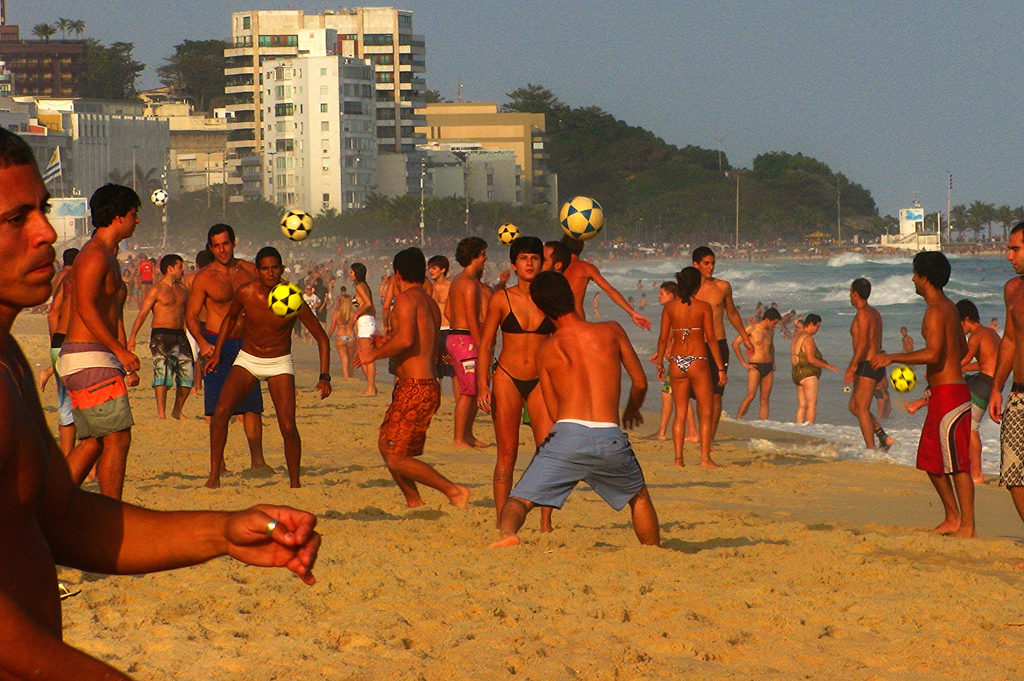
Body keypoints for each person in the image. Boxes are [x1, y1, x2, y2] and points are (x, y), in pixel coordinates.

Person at [0, 127, 321, 678]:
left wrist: (222, 532)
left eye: (43, 210)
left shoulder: (7, 358)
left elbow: (64, 520)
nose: (47, 233)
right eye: (15, 219)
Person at [490, 271, 659, 547]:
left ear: (542, 309)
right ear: (571, 295)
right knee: (638, 497)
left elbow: (554, 410)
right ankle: (653, 551)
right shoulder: (611, 330)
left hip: (568, 434)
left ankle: (509, 535)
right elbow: (640, 382)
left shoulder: (545, 351)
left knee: (519, 499)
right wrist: (632, 408)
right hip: (610, 435)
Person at [206, 247, 332, 489]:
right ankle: (214, 476)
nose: (270, 273)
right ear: (257, 270)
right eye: (265, 268)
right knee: (221, 412)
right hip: (249, 359)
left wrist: (324, 376)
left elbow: (321, 337)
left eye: (275, 268)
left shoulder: (292, 297)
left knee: (287, 425)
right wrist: (217, 353)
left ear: (282, 269)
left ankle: (295, 483)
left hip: (279, 361)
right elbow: (230, 319)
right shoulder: (246, 292)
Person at [356, 248, 471, 509]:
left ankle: (453, 491)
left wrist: (372, 355)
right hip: (419, 386)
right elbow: (411, 339)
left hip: (416, 387)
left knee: (395, 455)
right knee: (389, 447)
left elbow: (406, 339)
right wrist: (386, 341)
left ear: (397, 274)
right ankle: (414, 501)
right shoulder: (427, 300)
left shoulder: (407, 299)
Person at [872, 252, 974, 538]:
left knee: (956, 464)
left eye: (915, 274)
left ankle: (967, 525)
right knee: (930, 460)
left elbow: (933, 352)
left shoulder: (935, 311)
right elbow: (962, 350)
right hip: (945, 392)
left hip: (951, 395)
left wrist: (891, 357)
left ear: (925, 278)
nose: (912, 279)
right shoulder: (949, 308)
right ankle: (953, 517)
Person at [59, 184, 141, 500]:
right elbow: (85, 307)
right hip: (87, 356)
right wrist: (120, 350)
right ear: (118, 217)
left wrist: (119, 354)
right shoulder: (94, 256)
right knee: (117, 437)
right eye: (133, 215)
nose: (136, 221)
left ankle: (55, 501)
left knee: (94, 440)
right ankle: (111, 511)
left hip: (94, 356)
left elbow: (110, 313)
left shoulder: (107, 254)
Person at [478, 237, 556, 532]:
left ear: (541, 262)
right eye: (523, 258)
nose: (529, 263)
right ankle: (502, 521)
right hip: (507, 378)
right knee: (507, 453)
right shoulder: (502, 299)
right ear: (514, 264)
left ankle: (545, 522)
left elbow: (567, 339)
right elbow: (486, 345)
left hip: (541, 381)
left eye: (535, 258)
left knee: (547, 452)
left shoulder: (550, 299)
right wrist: (482, 385)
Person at [186, 224, 268, 474]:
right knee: (217, 408)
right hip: (215, 342)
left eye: (226, 244)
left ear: (234, 242)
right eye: (217, 245)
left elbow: (272, 297)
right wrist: (202, 343)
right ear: (210, 247)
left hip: (247, 343)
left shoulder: (249, 271)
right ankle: (218, 464)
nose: (222, 250)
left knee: (253, 405)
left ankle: (258, 462)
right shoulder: (205, 278)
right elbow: (190, 316)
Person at [655, 267, 725, 467]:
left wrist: (660, 362)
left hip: (677, 361)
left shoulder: (670, 307)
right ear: (697, 285)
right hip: (697, 360)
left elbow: (662, 339)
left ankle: (678, 459)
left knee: (681, 412)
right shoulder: (703, 307)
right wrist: (720, 367)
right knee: (706, 411)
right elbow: (711, 339)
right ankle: (705, 458)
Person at [692, 246, 754, 439]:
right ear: (696, 265)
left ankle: (709, 438)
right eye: (706, 263)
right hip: (695, 344)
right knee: (700, 396)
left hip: (718, 344)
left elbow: (732, 313)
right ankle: (702, 435)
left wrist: (745, 338)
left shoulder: (722, 287)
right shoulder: (689, 289)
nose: (711, 267)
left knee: (716, 395)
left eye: (713, 263)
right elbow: (678, 316)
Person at [989, 223, 1024, 565]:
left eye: (1015, 249)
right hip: (1018, 394)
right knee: (1013, 474)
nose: (1009, 255)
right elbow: (1010, 341)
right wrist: (997, 387)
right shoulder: (1013, 289)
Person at [127, 253, 193, 420]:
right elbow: (142, 314)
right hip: (161, 334)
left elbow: (187, 314)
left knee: (187, 374)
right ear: (170, 268)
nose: (183, 269)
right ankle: (161, 413)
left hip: (180, 334)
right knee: (162, 373)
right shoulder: (157, 289)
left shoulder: (183, 289)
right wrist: (133, 336)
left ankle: (177, 410)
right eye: (180, 266)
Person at [444, 238, 488, 448]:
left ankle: (467, 434)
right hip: (464, 339)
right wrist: (483, 346)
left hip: (456, 336)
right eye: (482, 254)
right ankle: (459, 437)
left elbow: (448, 312)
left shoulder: (457, 280)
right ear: (473, 257)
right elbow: (472, 320)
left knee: (471, 388)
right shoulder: (469, 284)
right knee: (468, 390)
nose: (485, 258)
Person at [560, 235, 650, 329]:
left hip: (553, 321)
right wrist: (632, 313)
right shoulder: (586, 268)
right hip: (576, 321)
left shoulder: (554, 267)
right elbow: (610, 291)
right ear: (582, 247)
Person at [844, 278, 893, 451]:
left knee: (862, 409)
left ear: (856, 294)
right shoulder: (874, 312)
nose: (849, 296)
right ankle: (882, 436)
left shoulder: (863, 313)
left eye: (850, 292)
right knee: (854, 407)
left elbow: (864, 343)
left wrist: (852, 367)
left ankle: (871, 449)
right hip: (876, 362)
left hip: (867, 363)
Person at [646, 281, 698, 444]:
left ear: (671, 295)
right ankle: (667, 431)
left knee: (675, 394)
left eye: (662, 293)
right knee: (673, 394)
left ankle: (689, 433)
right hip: (685, 356)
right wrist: (661, 353)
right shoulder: (682, 308)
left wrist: (662, 356)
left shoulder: (672, 309)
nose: (659, 296)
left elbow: (667, 336)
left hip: (679, 357)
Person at [956, 299, 999, 484]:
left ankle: (977, 474)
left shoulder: (975, 336)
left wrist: (945, 367)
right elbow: (988, 362)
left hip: (983, 383)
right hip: (992, 383)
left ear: (966, 319)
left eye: (959, 324)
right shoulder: (992, 334)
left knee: (972, 428)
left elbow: (964, 359)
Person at [44, 247, 78, 455]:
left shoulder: (61, 276)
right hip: (67, 339)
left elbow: (52, 311)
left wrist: (54, 338)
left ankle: (68, 455)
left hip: (59, 337)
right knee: (72, 400)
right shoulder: (71, 277)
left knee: (65, 399)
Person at [790, 313, 839, 425]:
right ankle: (810, 429)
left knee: (802, 405)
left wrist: (823, 361)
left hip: (797, 373)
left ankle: (798, 429)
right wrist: (829, 366)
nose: (817, 329)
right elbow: (811, 359)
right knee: (812, 404)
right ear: (811, 324)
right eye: (817, 326)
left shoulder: (797, 336)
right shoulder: (808, 338)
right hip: (808, 374)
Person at [734, 307, 781, 420]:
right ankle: (738, 419)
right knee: (750, 395)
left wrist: (773, 361)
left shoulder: (771, 331)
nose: (775, 326)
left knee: (765, 399)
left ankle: (763, 424)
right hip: (755, 365)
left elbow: (771, 347)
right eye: (774, 323)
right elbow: (735, 344)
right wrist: (744, 363)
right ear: (768, 320)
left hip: (768, 366)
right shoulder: (752, 328)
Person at [428, 254, 457, 395]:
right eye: (429, 268)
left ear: (443, 269)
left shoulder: (451, 287)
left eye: (434, 268)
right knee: (433, 368)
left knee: (453, 370)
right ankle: (436, 397)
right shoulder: (429, 288)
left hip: (448, 329)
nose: (430, 271)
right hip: (433, 331)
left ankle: (458, 400)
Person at [351, 262, 378, 395]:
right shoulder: (364, 286)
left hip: (366, 322)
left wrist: (356, 314)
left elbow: (368, 303)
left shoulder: (360, 286)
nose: (350, 274)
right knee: (362, 355)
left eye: (351, 272)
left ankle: (371, 387)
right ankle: (371, 386)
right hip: (368, 321)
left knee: (366, 355)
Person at [327, 286, 355, 379]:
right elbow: (358, 327)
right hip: (351, 336)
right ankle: (350, 376)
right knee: (350, 359)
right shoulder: (353, 313)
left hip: (340, 336)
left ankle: (346, 377)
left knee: (344, 358)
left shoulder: (337, 313)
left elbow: (332, 328)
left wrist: (327, 338)